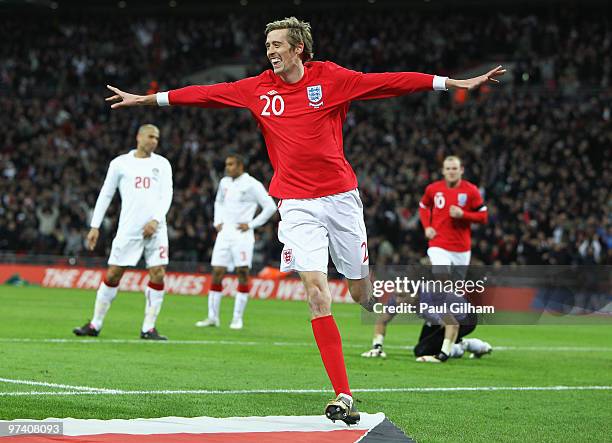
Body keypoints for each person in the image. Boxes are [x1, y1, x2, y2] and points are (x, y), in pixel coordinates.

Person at [104, 17, 504, 424]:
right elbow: (205, 94)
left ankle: (402, 305)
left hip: (341, 201)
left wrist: (449, 83)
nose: (270, 51)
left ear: (298, 48)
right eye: (267, 45)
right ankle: (344, 394)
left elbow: (389, 82)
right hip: (295, 203)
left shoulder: (330, 78)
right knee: (316, 292)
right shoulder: (258, 88)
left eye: (277, 44)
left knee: (360, 294)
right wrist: (146, 100)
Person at [362, 156, 492, 361]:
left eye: (454, 168)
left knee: (447, 301)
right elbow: (423, 207)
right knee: (422, 347)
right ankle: (454, 342)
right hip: (439, 242)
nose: (451, 171)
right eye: (447, 168)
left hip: (461, 255)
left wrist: (464, 214)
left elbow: (483, 217)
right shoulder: (433, 189)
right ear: (442, 170)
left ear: (461, 170)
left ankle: (462, 344)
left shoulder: (471, 191)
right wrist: (427, 226)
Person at [73, 124, 173, 340]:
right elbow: (106, 194)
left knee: (158, 273)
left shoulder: (162, 164)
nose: (154, 141)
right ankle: (95, 324)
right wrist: (95, 226)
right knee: (113, 273)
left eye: (157, 138)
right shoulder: (120, 164)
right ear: (138, 136)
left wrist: (156, 220)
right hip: (129, 228)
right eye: (150, 136)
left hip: (157, 229)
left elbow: (167, 195)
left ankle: (149, 328)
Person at [196, 154, 276, 330]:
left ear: (240, 166)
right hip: (225, 233)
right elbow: (218, 202)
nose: (227, 167)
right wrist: (217, 221)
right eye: (227, 164)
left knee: (242, 273)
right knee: (217, 272)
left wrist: (252, 224)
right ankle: (212, 317)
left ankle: (237, 318)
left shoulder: (252, 185)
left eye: (231, 164)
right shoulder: (224, 183)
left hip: (242, 235)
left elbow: (270, 206)